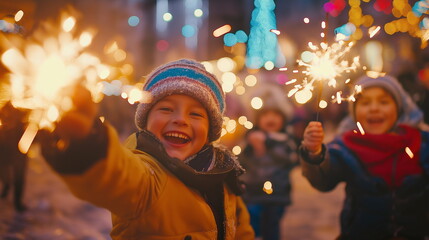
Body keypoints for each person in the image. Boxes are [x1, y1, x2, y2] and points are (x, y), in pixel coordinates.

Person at [39, 59, 255, 239]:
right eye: (166, 109)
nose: (180, 119)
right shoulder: (148, 178)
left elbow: (241, 231)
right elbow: (117, 177)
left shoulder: (224, 175)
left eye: (196, 114)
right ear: (146, 120)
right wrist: (88, 143)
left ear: (210, 131)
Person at [300, 74, 429, 240]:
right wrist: (314, 153)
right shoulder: (345, 147)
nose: (374, 108)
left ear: (399, 108)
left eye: (384, 102)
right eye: (365, 103)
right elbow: (324, 180)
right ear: (353, 111)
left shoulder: (420, 143)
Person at [239, 83, 298, 240]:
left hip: (277, 194)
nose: (270, 118)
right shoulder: (250, 138)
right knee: (253, 228)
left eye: (275, 114)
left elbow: (290, 159)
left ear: (283, 118)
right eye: (265, 115)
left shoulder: (285, 140)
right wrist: (251, 148)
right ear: (257, 118)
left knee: (272, 229)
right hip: (252, 194)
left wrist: (268, 145)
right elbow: (241, 163)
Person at [0, 101, 29, 212]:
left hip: (18, 152)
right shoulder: (3, 115)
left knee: (19, 177)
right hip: (4, 149)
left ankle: (17, 202)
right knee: (4, 171)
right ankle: (6, 186)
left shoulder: (22, 118)